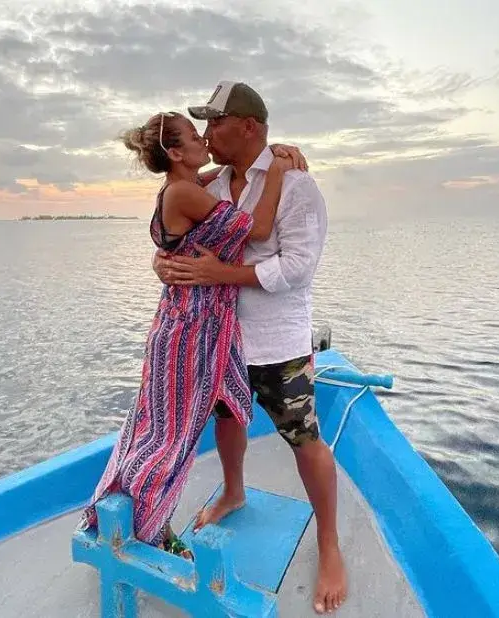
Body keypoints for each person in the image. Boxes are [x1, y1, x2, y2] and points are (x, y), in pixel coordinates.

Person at [78, 109, 307, 559]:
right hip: (190, 332)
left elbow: (221, 173)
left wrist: (267, 154)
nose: (204, 139)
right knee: (169, 437)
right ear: (176, 153)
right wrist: (278, 171)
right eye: (192, 136)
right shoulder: (184, 192)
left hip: (197, 326)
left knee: (180, 423)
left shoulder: (183, 186)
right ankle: (147, 528)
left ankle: (162, 512)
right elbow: (258, 229)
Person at [154, 81, 347, 614]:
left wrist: (223, 274)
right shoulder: (211, 184)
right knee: (227, 421)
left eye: (215, 122)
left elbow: (297, 267)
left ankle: (329, 543)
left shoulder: (296, 185)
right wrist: (163, 262)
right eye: (203, 125)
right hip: (220, 338)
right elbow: (179, 232)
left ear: (248, 126)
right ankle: (234, 492)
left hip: (278, 342)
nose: (207, 133)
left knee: (304, 438)